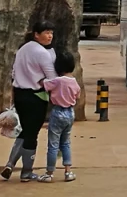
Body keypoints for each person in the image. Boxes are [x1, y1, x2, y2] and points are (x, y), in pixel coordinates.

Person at [1, 20, 57, 182]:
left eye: (51, 32)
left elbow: (13, 72)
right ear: (36, 34)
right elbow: (52, 78)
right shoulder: (42, 53)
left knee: (25, 131)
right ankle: (26, 172)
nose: (49, 36)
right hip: (36, 97)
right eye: (46, 32)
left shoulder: (22, 49)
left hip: (20, 95)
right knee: (32, 135)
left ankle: (10, 164)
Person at [39, 50, 81, 183]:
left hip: (57, 112)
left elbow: (43, 84)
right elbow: (77, 96)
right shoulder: (74, 82)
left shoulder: (57, 81)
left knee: (53, 145)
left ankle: (49, 173)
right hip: (70, 113)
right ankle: (68, 172)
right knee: (66, 143)